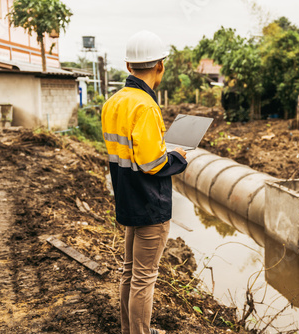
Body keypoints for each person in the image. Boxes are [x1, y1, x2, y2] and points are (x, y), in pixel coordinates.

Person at [101, 30, 187, 334]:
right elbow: (153, 163)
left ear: (128, 66)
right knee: (144, 278)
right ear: (160, 66)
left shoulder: (114, 102)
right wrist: (178, 157)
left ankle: (129, 329)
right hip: (150, 205)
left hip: (128, 199)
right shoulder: (146, 106)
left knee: (130, 272)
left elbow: (131, 154)